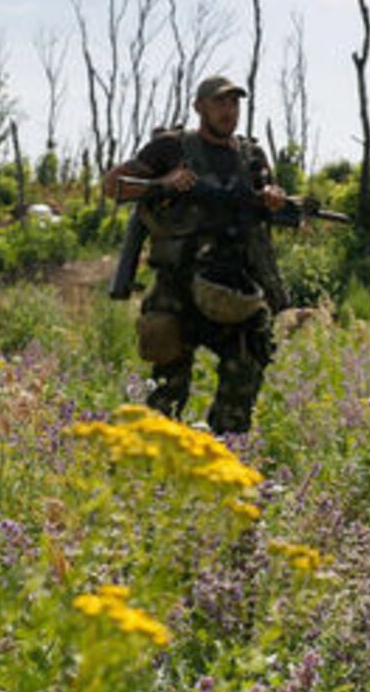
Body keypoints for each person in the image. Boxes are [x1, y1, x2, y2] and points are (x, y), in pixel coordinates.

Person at [104, 75, 289, 434]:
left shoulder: (251, 156)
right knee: (167, 391)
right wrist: (163, 183)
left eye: (234, 102)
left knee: (246, 371)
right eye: (219, 102)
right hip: (178, 288)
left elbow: (268, 197)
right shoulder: (170, 148)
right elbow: (114, 186)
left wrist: (273, 198)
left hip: (234, 286)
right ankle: (155, 458)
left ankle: (224, 451)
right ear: (199, 107)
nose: (228, 110)